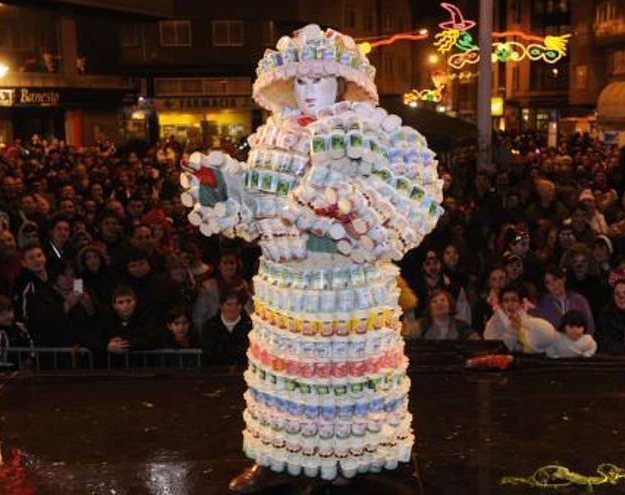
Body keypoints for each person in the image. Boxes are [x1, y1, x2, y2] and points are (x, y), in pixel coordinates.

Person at [180, 25, 434, 488]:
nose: (308, 91)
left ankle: (378, 459)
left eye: (318, 80)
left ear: (342, 81)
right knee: (285, 380)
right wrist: (221, 188)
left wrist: (342, 204)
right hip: (285, 288)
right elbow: (253, 213)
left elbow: (412, 203)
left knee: (358, 375)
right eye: (300, 81)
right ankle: (279, 457)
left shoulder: (379, 133)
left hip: (352, 284)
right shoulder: (271, 137)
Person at [483, 284, 558, 353]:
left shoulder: (529, 320)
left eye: (514, 300)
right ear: (501, 304)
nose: (510, 304)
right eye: (506, 300)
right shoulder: (492, 324)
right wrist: (513, 330)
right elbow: (494, 350)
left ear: (520, 303)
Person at [531, 265, 595, 333]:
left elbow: (590, 327)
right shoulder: (541, 303)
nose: (553, 285)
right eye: (548, 283)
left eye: (555, 279)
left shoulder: (579, 300)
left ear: (564, 279)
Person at [201, 291, 252, 366]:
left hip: (241, 371)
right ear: (221, 306)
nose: (233, 308)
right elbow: (209, 351)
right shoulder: (210, 326)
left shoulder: (249, 326)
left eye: (237, 304)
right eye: (229, 305)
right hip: (216, 370)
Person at [404, 288, 478, 340]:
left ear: (450, 305)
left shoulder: (461, 325)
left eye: (443, 300)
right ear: (429, 308)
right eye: (434, 301)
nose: (439, 304)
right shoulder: (419, 325)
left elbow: (475, 340)